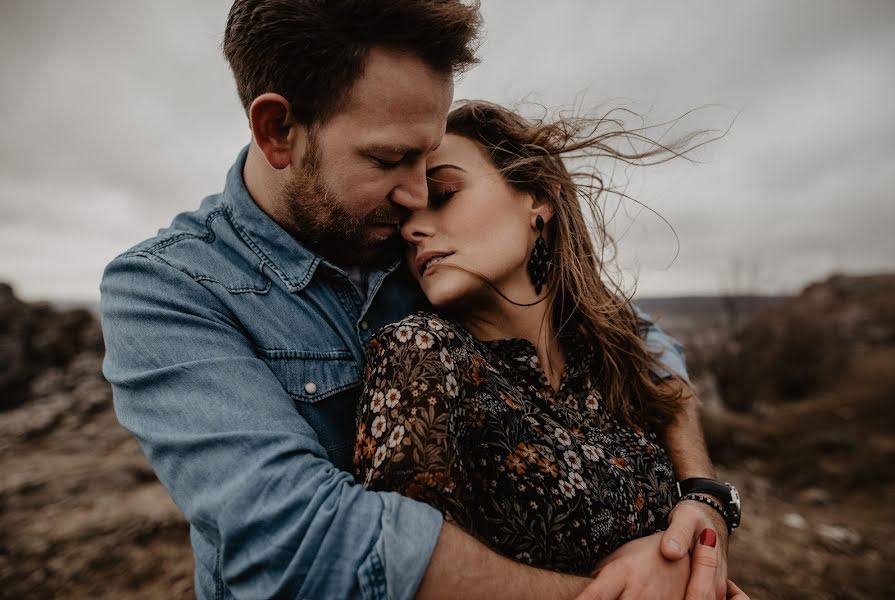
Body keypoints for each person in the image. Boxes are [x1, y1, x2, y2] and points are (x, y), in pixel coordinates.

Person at [99, 1, 740, 598]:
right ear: (278, 130)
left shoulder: (423, 246)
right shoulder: (168, 289)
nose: (413, 200)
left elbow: (636, 338)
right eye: (389, 159)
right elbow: (300, 539)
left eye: (430, 161)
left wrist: (704, 500)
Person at [354, 100, 748, 597]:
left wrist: (704, 516)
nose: (412, 229)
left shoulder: (613, 355)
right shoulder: (419, 354)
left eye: (445, 193)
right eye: (404, 217)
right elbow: (399, 576)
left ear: (538, 199)